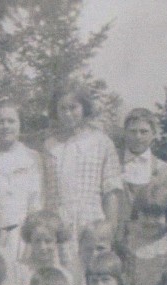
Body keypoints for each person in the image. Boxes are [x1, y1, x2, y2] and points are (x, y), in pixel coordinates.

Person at [43, 83, 122, 256]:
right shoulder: (50, 146)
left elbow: (111, 190)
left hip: (92, 221)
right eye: (62, 109)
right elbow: (46, 191)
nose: (68, 114)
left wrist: (110, 228)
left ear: (84, 107)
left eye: (73, 107)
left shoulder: (101, 142)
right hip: (58, 223)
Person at [0, 99, 59, 256]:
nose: (6, 126)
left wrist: (31, 239)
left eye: (11, 121)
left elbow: (37, 202)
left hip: (22, 237)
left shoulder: (33, 158)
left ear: (20, 124)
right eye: (0, 122)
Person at [119, 184, 167, 285]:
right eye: (146, 215)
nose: (151, 221)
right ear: (138, 213)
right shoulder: (128, 242)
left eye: (157, 215)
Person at [117, 108, 167, 232]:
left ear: (153, 134)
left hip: (149, 233)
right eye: (133, 131)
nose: (138, 137)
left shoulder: (162, 169)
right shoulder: (112, 164)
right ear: (124, 133)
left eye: (144, 132)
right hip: (116, 233)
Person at [15, 210, 79, 285]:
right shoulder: (19, 271)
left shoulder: (65, 276)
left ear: (56, 241)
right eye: (37, 241)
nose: (42, 247)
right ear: (30, 240)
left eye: (48, 241)